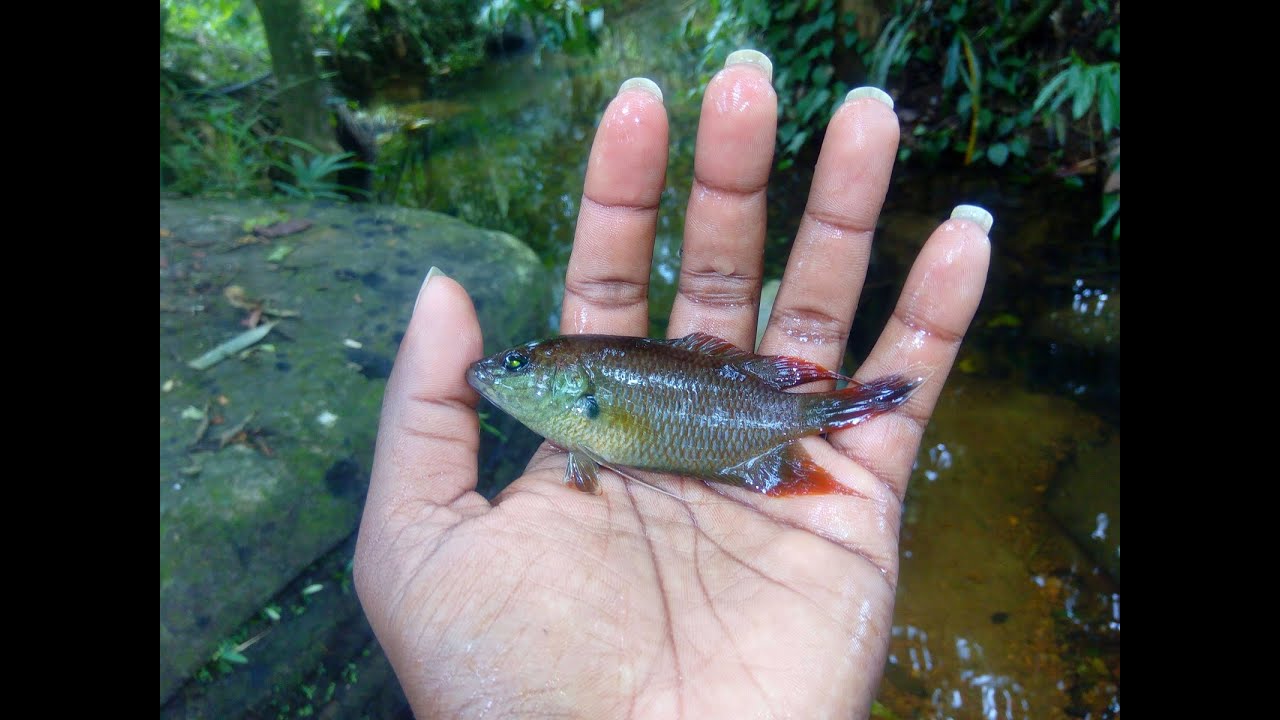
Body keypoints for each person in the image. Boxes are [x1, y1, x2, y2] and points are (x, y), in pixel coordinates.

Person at [354, 49, 991, 719]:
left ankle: (869, 397)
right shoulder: (579, 417)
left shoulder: (585, 408)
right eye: (511, 365)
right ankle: (870, 396)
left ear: (567, 383)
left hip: (750, 423)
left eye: (517, 367)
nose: (495, 374)